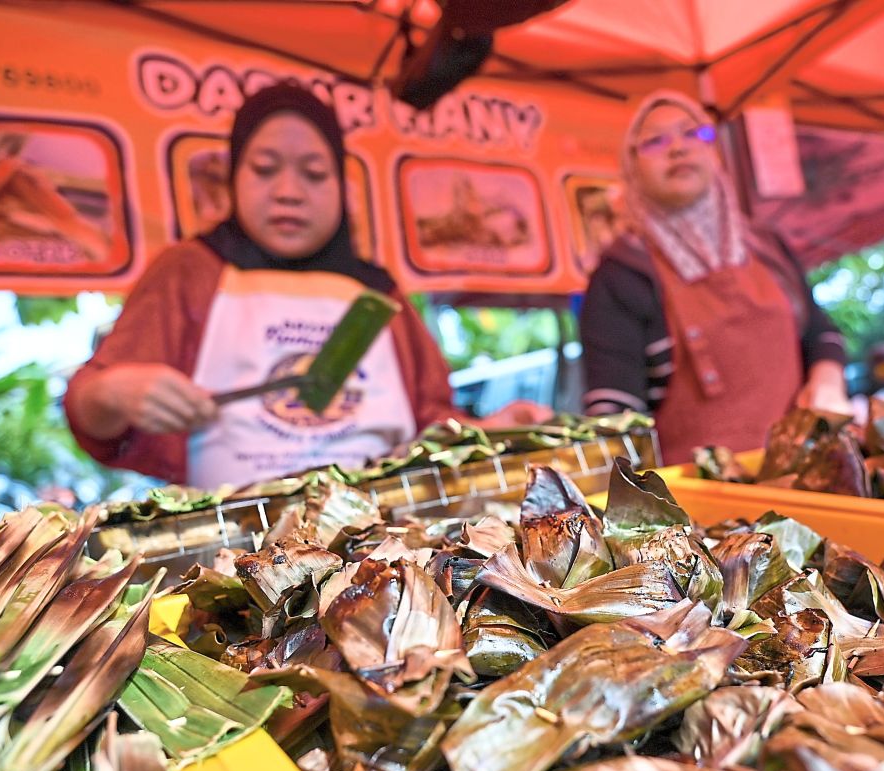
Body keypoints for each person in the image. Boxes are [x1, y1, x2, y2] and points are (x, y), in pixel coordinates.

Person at [66, 83, 545, 489]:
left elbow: (430, 424)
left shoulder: (377, 292)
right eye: (265, 169)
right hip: (235, 544)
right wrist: (113, 392)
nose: (289, 191)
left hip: (385, 539)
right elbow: (92, 416)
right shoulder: (189, 270)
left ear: (341, 185)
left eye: (314, 173)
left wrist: (488, 430)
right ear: (233, 177)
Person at [579, 91, 850, 464]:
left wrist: (827, 382)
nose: (678, 148)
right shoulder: (621, 276)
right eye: (655, 141)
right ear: (631, 168)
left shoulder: (767, 246)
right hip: (702, 502)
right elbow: (614, 418)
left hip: (806, 471)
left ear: (716, 153)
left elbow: (820, 333)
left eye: (694, 134)